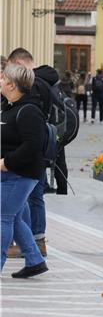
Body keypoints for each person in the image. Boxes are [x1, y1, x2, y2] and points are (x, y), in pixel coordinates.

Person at [0, 63, 49, 277]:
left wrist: (6, 162)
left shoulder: (29, 111)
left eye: (3, 78)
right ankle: (34, 260)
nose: (0, 81)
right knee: (15, 217)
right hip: (10, 174)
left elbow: (32, 146)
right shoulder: (10, 107)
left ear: (11, 85)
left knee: (3, 218)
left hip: (19, 175)